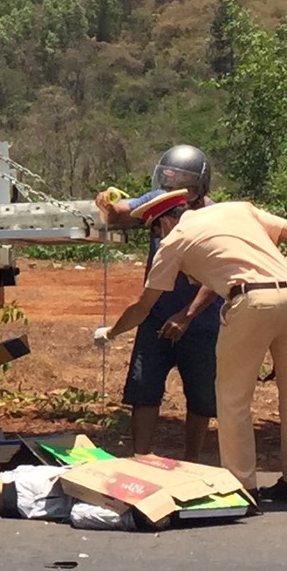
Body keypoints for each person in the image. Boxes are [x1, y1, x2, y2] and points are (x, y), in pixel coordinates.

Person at [104, 190, 287, 511]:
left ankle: (243, 487)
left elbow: (143, 307)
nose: (157, 237)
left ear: (163, 221)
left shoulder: (173, 241)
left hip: (250, 302)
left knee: (232, 400)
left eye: (154, 230)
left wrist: (111, 331)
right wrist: (286, 282)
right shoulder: (238, 209)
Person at [95, 145, 222, 463]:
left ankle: (192, 460)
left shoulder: (212, 218)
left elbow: (219, 276)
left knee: (202, 397)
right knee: (144, 388)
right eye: (170, 181)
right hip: (155, 314)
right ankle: (141, 458)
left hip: (200, 322)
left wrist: (187, 315)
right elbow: (123, 211)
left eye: (184, 184)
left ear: (200, 187)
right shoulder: (159, 203)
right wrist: (107, 205)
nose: (175, 190)